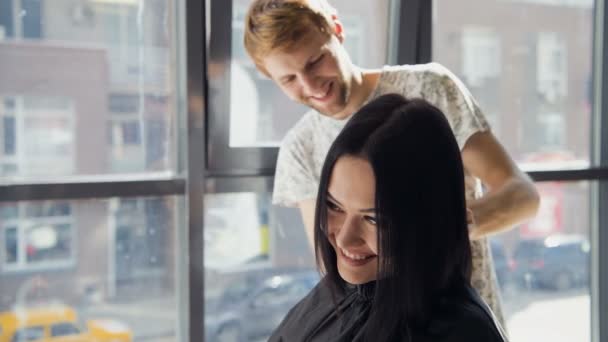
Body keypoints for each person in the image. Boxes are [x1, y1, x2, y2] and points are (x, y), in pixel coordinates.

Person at [244, 0, 540, 326]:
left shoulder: (428, 88)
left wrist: (443, 229)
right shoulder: (300, 150)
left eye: (316, 61)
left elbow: (522, 196)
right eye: (289, 79)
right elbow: (335, 264)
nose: (311, 85)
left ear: (337, 31)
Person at [269, 94, 507, 342]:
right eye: (334, 206)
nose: (345, 238)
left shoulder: (463, 334)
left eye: (374, 220)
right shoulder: (334, 294)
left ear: (429, 222)